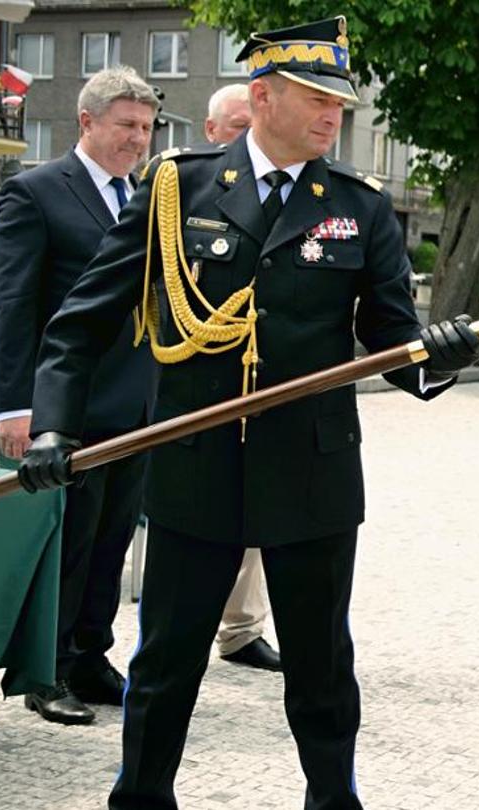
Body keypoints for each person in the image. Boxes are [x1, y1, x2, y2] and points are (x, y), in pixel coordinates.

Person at [15, 17, 479, 808]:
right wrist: (54, 424)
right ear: (262, 97)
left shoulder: (360, 207)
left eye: (339, 102)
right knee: (165, 663)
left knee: (322, 667)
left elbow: (391, 341)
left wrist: (439, 356)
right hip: (196, 464)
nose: (334, 115)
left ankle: (332, 801)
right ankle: (141, 799)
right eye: (316, 98)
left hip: (312, 470)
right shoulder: (179, 188)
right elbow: (81, 322)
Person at [0, 66, 162, 726]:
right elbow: (11, 305)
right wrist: (16, 408)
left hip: (133, 407)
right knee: (66, 545)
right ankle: (45, 668)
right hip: (67, 408)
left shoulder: (144, 198)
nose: (138, 139)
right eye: (126, 125)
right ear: (86, 122)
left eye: (146, 128)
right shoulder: (35, 193)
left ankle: (89, 654)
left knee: (111, 541)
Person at [197, 81, 282, 673]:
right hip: (188, 387)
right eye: (235, 124)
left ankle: (242, 628)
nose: (248, 133)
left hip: (256, 385)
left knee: (254, 514)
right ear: (212, 131)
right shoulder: (182, 189)